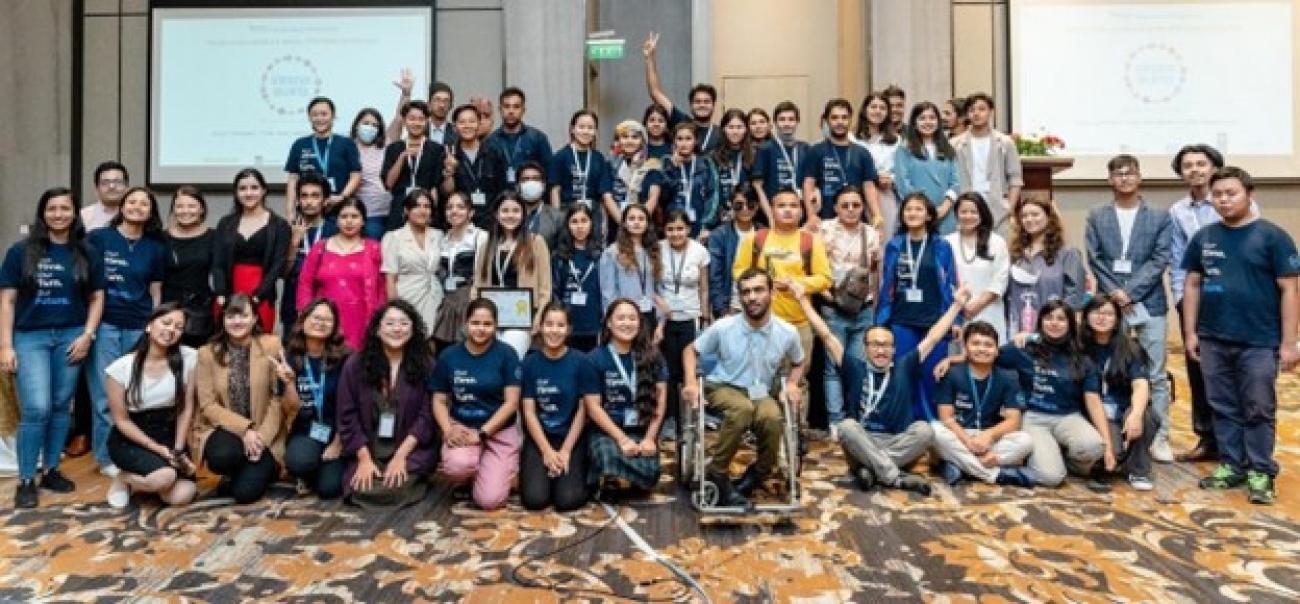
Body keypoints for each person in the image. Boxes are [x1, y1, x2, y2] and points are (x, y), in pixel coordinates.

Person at [1183, 166, 1299, 505]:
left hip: (1259, 340)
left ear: (1249, 195)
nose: (1223, 200)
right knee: (1221, 405)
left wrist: (1290, 342)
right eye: (1217, 195)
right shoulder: (1204, 237)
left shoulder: (1272, 236)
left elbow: (1291, 290)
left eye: (1230, 193)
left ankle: (1261, 470)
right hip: (1213, 337)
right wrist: (1190, 332)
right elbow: (1192, 285)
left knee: (1258, 406)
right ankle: (1232, 464)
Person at [796, 280, 969, 494]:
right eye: (875, 345)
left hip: (897, 442)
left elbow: (933, 337)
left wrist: (957, 305)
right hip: (863, 440)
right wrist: (803, 301)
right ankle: (895, 478)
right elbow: (827, 335)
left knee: (925, 430)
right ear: (866, 348)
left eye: (886, 345)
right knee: (846, 427)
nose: (881, 351)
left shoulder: (905, 366)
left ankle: (871, 468)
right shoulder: (854, 366)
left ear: (894, 349)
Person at [2, 188, 104, 508]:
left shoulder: (86, 252)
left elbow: (97, 297)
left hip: (71, 336)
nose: (58, 214)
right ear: (43, 213)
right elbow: (6, 300)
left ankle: (51, 470)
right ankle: (26, 478)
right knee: (37, 407)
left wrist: (87, 335)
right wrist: (5, 345)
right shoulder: (21, 252)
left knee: (61, 405)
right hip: (30, 337)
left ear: (74, 213)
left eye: (64, 208)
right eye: (52, 209)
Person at [683, 269, 804, 506]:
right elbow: (690, 350)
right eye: (746, 292)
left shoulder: (787, 332)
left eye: (759, 290)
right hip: (723, 386)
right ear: (740, 297)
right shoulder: (723, 327)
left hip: (760, 392)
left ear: (771, 293)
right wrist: (689, 382)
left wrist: (791, 383)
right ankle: (717, 474)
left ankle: (758, 473)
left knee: (772, 416)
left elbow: (799, 361)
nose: (752, 297)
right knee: (742, 409)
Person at [1084, 155, 1174, 463]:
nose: (1124, 178)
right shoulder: (1097, 216)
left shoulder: (1160, 216)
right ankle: (1114, 428)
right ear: (1110, 180)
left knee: (1156, 373)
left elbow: (1160, 258)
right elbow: (1094, 259)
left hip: (1149, 303)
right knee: (1110, 369)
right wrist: (1115, 294)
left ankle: (1160, 437)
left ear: (1139, 177)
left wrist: (1130, 292)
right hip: (1108, 307)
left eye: (1129, 173)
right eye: (1118, 174)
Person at [731, 189, 833, 421]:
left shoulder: (810, 241)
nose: (787, 210)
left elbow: (825, 278)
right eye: (781, 205)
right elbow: (738, 272)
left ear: (801, 211)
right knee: (759, 377)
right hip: (761, 324)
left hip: (799, 323)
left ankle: (797, 431)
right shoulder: (756, 239)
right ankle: (762, 429)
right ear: (772, 210)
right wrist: (761, 282)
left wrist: (797, 284)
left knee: (798, 380)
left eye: (793, 206)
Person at [87, 186, 166, 477]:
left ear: (150, 211)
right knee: (104, 395)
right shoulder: (99, 239)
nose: (137, 207)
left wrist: (152, 327)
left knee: (135, 394)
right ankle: (106, 457)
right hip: (106, 324)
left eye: (144, 203)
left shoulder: (155, 248)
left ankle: (132, 453)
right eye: (131, 202)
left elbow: (155, 292)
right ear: (122, 206)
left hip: (139, 326)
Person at [1167, 144, 1237, 463]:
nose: (1194, 170)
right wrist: (1182, 301)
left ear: (1213, 167)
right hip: (1193, 299)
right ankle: (1206, 438)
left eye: (1200, 164)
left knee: (1233, 368)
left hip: (1231, 299)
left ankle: (1237, 442)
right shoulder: (1177, 211)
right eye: (1187, 165)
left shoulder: (1233, 202)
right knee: (1197, 367)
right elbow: (1177, 260)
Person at [995, 300, 1111, 487]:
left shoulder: (1081, 357)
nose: (1054, 323)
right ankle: (1044, 456)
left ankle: (1066, 459)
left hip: (1068, 416)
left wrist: (1109, 446)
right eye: (1049, 318)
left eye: (1061, 319)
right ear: (1040, 321)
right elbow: (987, 354)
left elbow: (1093, 401)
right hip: (1034, 417)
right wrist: (956, 359)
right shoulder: (1024, 348)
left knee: (1094, 447)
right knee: (1051, 478)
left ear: (1070, 324)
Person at [336, 299, 437, 507]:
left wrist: (401, 456)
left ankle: (410, 478)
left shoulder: (426, 364)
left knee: (396, 485)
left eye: (403, 323)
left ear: (414, 329)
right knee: (361, 486)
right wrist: (364, 459)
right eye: (390, 323)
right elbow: (347, 415)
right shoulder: (356, 364)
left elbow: (427, 416)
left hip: (409, 450)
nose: (397, 329)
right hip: (368, 448)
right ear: (377, 329)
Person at [191, 295, 290, 504]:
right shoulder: (207, 353)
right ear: (223, 320)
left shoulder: (271, 345)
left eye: (243, 315)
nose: (237, 322)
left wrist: (260, 437)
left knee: (245, 493)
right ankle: (241, 465)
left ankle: (255, 469)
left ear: (254, 319)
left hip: (265, 431)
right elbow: (208, 405)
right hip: (224, 429)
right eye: (230, 316)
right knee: (223, 456)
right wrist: (245, 429)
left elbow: (277, 398)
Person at [102, 304, 198, 508]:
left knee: (183, 495)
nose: (172, 330)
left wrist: (179, 449)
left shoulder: (189, 357)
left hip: (169, 433)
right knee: (164, 477)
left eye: (179, 327)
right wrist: (158, 450)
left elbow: (186, 408)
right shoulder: (121, 368)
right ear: (148, 326)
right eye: (166, 323)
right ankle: (124, 478)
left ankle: (154, 482)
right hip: (132, 437)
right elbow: (121, 420)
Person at [433, 298, 523, 510]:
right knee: (458, 466)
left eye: (487, 324)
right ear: (465, 323)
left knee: (490, 501)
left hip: (498, 431)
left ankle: (499, 471)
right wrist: (447, 430)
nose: (480, 329)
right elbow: (438, 399)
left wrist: (482, 434)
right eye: (475, 323)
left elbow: (511, 403)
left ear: (496, 326)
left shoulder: (507, 355)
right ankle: (472, 474)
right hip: (462, 427)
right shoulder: (449, 356)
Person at [875, 193, 958, 421]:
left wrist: (955, 321)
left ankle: (933, 430)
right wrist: (881, 321)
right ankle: (906, 426)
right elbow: (886, 285)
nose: (912, 213)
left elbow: (951, 284)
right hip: (902, 320)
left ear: (929, 215)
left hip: (934, 322)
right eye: (908, 209)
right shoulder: (894, 245)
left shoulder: (942, 246)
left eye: (918, 209)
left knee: (933, 377)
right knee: (904, 376)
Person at [931, 320, 1035, 487]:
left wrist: (990, 435)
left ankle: (961, 465)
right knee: (934, 431)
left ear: (996, 350)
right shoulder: (952, 374)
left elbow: (1014, 421)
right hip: (959, 434)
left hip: (989, 437)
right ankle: (994, 474)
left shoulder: (1008, 377)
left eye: (988, 345)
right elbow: (946, 418)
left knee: (1025, 441)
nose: (982, 349)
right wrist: (968, 442)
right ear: (965, 347)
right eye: (976, 343)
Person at [520, 303, 598, 511]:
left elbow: (584, 411)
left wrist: (565, 450)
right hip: (540, 437)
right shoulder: (529, 364)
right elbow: (528, 411)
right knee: (535, 500)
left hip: (572, 437)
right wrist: (546, 450)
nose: (554, 331)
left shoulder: (582, 362)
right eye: (549, 324)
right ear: (541, 327)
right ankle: (549, 472)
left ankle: (581, 477)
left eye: (560, 325)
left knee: (567, 501)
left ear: (569, 329)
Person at [816, 186, 882, 431]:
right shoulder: (825, 230)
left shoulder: (871, 234)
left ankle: (855, 418)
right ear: (835, 208)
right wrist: (828, 296)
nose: (851, 210)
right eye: (845, 205)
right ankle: (835, 420)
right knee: (833, 367)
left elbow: (876, 272)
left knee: (858, 365)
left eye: (856, 205)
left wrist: (874, 302)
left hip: (863, 308)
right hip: (833, 306)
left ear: (863, 207)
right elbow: (814, 266)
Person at [586, 299, 668, 496]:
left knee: (651, 473)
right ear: (609, 323)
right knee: (606, 456)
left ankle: (618, 476)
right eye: (620, 318)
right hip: (607, 431)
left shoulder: (653, 356)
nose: (627, 323)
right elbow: (593, 407)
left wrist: (649, 438)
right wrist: (622, 440)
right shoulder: (595, 358)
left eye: (632, 318)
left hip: (641, 429)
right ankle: (609, 474)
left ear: (639, 323)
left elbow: (661, 399)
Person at [1079, 296, 1158, 491]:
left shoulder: (1130, 347)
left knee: (1146, 417)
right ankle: (1113, 458)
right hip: (1091, 412)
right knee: (1109, 453)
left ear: (1117, 319)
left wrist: (1136, 415)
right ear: (1086, 316)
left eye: (1108, 313)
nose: (1102, 318)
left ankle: (1138, 470)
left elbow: (1141, 384)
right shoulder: (1077, 346)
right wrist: (1027, 337)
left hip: (1120, 408)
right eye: (1096, 312)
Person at [278, 298, 350, 499]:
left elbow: (351, 407)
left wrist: (338, 443)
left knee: (329, 489)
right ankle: (309, 469)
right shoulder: (290, 358)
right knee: (299, 462)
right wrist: (290, 383)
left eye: (328, 320)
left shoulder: (346, 359)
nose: (321, 323)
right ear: (303, 321)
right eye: (316, 317)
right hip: (305, 430)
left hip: (338, 432)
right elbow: (290, 409)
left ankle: (326, 468)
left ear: (334, 326)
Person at [297, 199, 386, 350]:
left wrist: (380, 320)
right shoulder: (320, 248)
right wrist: (306, 315)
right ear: (336, 221)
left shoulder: (374, 249)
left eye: (354, 216)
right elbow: (305, 284)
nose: (349, 221)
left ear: (363, 221)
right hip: (325, 321)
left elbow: (382, 289)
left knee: (356, 367)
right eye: (344, 217)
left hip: (362, 320)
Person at [471, 192, 553, 358]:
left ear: (523, 214)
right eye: (505, 210)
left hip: (521, 320)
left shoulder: (536, 242)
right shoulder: (487, 245)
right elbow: (477, 285)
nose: (510, 215)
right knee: (489, 363)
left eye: (515, 211)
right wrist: (475, 313)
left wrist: (538, 318)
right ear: (496, 214)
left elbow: (545, 288)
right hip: (489, 318)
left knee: (510, 358)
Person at [654, 210, 711, 440]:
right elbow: (652, 285)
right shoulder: (657, 249)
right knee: (668, 371)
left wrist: (706, 316)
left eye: (680, 229)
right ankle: (669, 419)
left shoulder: (700, 252)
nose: (675, 234)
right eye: (670, 229)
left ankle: (689, 418)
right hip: (665, 319)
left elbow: (704, 287)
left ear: (688, 229)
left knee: (689, 372)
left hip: (691, 316)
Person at [212, 168, 291, 333]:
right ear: (236, 192)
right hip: (228, 294)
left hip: (262, 295)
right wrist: (221, 294)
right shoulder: (225, 223)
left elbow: (278, 264)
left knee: (259, 346)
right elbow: (217, 262)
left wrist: (258, 297)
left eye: (254, 187)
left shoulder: (279, 225)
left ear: (263, 191)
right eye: (242, 188)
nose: (248, 193)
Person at [1006, 197, 1087, 336]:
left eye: (1035, 214)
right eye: (1024, 216)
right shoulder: (1013, 253)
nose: (1029, 219)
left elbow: (1074, 297)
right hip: (1017, 331)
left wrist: (1058, 322)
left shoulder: (1068, 253)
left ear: (1049, 217)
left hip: (1053, 331)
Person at [801, 99, 882, 231]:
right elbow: (808, 184)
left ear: (850, 120)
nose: (840, 122)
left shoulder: (862, 153)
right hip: (825, 220)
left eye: (844, 117)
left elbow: (869, 187)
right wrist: (811, 215)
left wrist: (877, 215)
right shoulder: (816, 151)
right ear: (827, 120)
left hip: (855, 218)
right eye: (834, 118)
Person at [945, 192, 1010, 342]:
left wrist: (977, 305)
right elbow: (944, 280)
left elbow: (1000, 278)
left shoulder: (996, 241)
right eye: (963, 212)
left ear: (982, 213)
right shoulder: (947, 242)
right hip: (955, 312)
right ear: (956, 214)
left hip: (989, 310)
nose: (968, 216)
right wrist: (961, 306)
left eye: (973, 212)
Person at [952, 93, 1023, 231]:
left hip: (997, 208)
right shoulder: (955, 144)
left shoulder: (1005, 142)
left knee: (997, 249)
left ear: (991, 112)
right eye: (972, 110)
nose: (976, 113)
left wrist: (1009, 207)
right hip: (966, 209)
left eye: (981, 109)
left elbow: (1015, 178)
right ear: (967, 114)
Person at [284, 96, 362, 221]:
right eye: (315, 114)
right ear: (309, 117)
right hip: (308, 209)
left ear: (333, 116)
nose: (319, 118)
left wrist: (342, 196)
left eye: (324, 114)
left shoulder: (346, 143)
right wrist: (290, 212)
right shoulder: (299, 144)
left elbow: (356, 175)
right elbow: (293, 180)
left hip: (339, 208)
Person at [642, 32, 719, 153]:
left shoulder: (721, 133)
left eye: (706, 101)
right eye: (697, 101)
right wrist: (649, 58)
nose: (702, 105)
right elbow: (655, 93)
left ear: (713, 105)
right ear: (691, 105)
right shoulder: (682, 122)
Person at [382, 189, 445, 335]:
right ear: (406, 210)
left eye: (427, 206)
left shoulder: (438, 235)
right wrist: (394, 307)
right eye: (417, 206)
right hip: (407, 296)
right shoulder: (393, 237)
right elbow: (390, 278)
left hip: (435, 297)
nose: (422, 210)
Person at [549, 110, 617, 243]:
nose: (586, 132)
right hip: (567, 212)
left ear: (596, 132)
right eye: (581, 127)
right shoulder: (560, 157)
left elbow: (605, 196)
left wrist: (606, 222)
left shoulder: (599, 158)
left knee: (594, 252)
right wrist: (557, 219)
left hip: (593, 213)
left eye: (590, 128)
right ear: (572, 129)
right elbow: (554, 191)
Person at [894, 102, 960, 234]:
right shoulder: (904, 149)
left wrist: (944, 207)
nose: (927, 122)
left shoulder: (948, 149)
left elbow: (956, 183)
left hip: (945, 213)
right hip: (916, 212)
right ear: (914, 123)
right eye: (922, 118)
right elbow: (903, 183)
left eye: (932, 118)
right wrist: (922, 208)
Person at [163, 186, 215, 348]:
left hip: (201, 315)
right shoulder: (161, 238)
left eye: (191, 206)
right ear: (173, 210)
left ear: (201, 209)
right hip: (168, 312)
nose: (185, 211)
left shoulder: (214, 237)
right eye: (179, 206)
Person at [430, 193, 484, 350]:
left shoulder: (480, 236)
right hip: (446, 299)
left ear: (471, 212)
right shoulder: (442, 239)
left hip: (469, 297)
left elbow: (482, 273)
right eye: (449, 207)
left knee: (468, 345)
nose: (454, 211)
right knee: (443, 348)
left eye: (460, 207)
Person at [382, 101, 447, 231]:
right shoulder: (393, 148)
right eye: (411, 119)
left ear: (427, 121)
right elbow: (389, 184)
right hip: (400, 206)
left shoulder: (436, 149)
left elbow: (435, 186)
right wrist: (401, 159)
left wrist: (431, 213)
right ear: (405, 121)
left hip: (425, 206)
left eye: (421, 119)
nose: (416, 123)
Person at [445, 104, 510, 230]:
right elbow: (447, 192)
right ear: (454, 127)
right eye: (462, 122)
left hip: (491, 222)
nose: (467, 126)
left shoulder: (494, 152)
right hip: (460, 222)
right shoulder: (448, 154)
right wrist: (450, 171)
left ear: (479, 124)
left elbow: (503, 189)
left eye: (472, 121)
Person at [282, 174, 333, 332]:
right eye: (304, 196)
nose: (309, 201)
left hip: (327, 307)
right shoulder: (286, 230)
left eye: (315, 196)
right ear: (298, 200)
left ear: (325, 200)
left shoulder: (334, 230)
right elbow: (283, 273)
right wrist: (294, 243)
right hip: (293, 306)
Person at [600, 204, 661, 327]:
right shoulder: (612, 252)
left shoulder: (652, 250)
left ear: (647, 223)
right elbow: (608, 292)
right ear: (624, 223)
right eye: (631, 218)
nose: (636, 222)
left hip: (649, 313)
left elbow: (656, 288)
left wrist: (660, 320)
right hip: (624, 315)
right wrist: (612, 317)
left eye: (641, 219)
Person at [552, 205, 603, 352]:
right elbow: (555, 291)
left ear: (591, 224)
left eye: (584, 221)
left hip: (593, 323)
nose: (579, 226)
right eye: (574, 221)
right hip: (567, 323)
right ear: (567, 225)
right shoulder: (559, 256)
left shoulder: (600, 255)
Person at [658, 123, 721, 240]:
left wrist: (706, 225)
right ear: (674, 142)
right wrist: (673, 169)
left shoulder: (706, 163)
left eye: (688, 138)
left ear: (695, 141)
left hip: (699, 226)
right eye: (679, 139)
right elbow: (663, 197)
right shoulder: (666, 163)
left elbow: (713, 196)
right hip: (673, 227)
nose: (684, 143)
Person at [853, 92, 902, 238]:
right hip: (858, 191)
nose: (878, 111)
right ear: (865, 110)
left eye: (882, 108)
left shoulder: (896, 140)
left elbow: (900, 169)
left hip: (884, 192)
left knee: (885, 235)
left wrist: (890, 179)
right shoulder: (852, 138)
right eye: (873, 107)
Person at [708, 184, 760, 318]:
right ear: (731, 205)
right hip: (732, 306)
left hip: (761, 306)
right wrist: (722, 311)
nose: (745, 209)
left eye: (751, 205)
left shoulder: (764, 234)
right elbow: (715, 278)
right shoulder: (719, 236)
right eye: (739, 205)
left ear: (757, 206)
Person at [752, 102, 809, 225]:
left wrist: (810, 213)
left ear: (797, 122)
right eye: (782, 119)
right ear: (775, 123)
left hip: (799, 214)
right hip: (773, 214)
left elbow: (810, 184)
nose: (787, 123)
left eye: (791, 119)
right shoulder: (765, 149)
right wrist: (770, 217)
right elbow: (758, 187)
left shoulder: (805, 148)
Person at [486, 87, 553, 186]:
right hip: (500, 197)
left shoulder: (538, 138)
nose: (511, 111)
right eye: (507, 106)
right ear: (500, 110)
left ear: (523, 110)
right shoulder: (490, 141)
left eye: (516, 107)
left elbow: (549, 173)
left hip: (531, 197)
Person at [611, 120, 664, 222]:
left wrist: (638, 221)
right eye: (625, 137)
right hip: (616, 222)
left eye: (635, 137)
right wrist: (623, 223)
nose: (630, 141)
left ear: (642, 141)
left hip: (644, 223)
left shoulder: (652, 165)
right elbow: (607, 197)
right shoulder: (610, 165)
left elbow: (653, 197)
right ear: (618, 141)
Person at [712, 109, 756, 210]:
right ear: (723, 129)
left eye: (739, 127)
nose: (735, 132)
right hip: (721, 213)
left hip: (748, 211)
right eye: (731, 127)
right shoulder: (713, 157)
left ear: (746, 129)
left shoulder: (755, 154)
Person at [517, 161, 565, 252]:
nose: (530, 183)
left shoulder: (557, 217)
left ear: (543, 185)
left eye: (535, 179)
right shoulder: (509, 215)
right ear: (518, 186)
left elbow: (562, 251)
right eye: (525, 179)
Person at [82, 161, 129, 230]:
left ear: (127, 187)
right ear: (96, 188)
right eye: (105, 182)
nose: (111, 186)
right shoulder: (84, 216)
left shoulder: (135, 214)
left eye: (117, 181)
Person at [427, 81, 457, 146]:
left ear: (451, 106)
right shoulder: (420, 129)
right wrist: (406, 95)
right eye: (437, 100)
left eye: (446, 101)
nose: (442, 105)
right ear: (429, 103)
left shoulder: (456, 132)